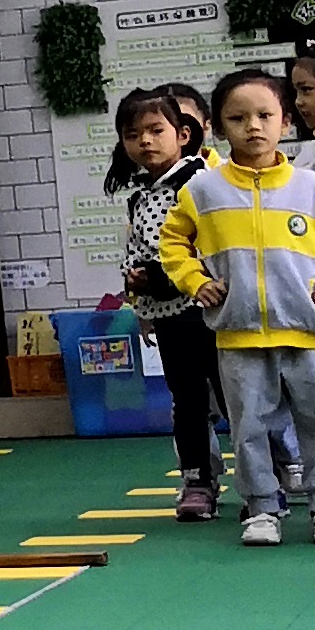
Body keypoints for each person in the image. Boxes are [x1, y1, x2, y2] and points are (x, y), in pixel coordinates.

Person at [157, 65, 315, 542]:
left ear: (285, 122)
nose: (253, 127)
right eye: (238, 118)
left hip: (309, 333)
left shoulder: (310, 187)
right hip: (239, 334)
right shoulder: (204, 190)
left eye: (265, 116)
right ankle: (262, 508)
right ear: (217, 126)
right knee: (249, 426)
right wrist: (195, 281)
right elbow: (172, 241)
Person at [107, 82, 221, 521]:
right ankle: (197, 480)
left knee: (237, 399)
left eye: (156, 130)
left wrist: (161, 276)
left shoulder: (203, 183)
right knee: (187, 400)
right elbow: (136, 250)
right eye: (133, 135)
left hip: (211, 309)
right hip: (168, 316)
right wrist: (139, 296)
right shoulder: (140, 195)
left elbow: (210, 246)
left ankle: (264, 483)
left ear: (183, 134)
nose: (146, 141)